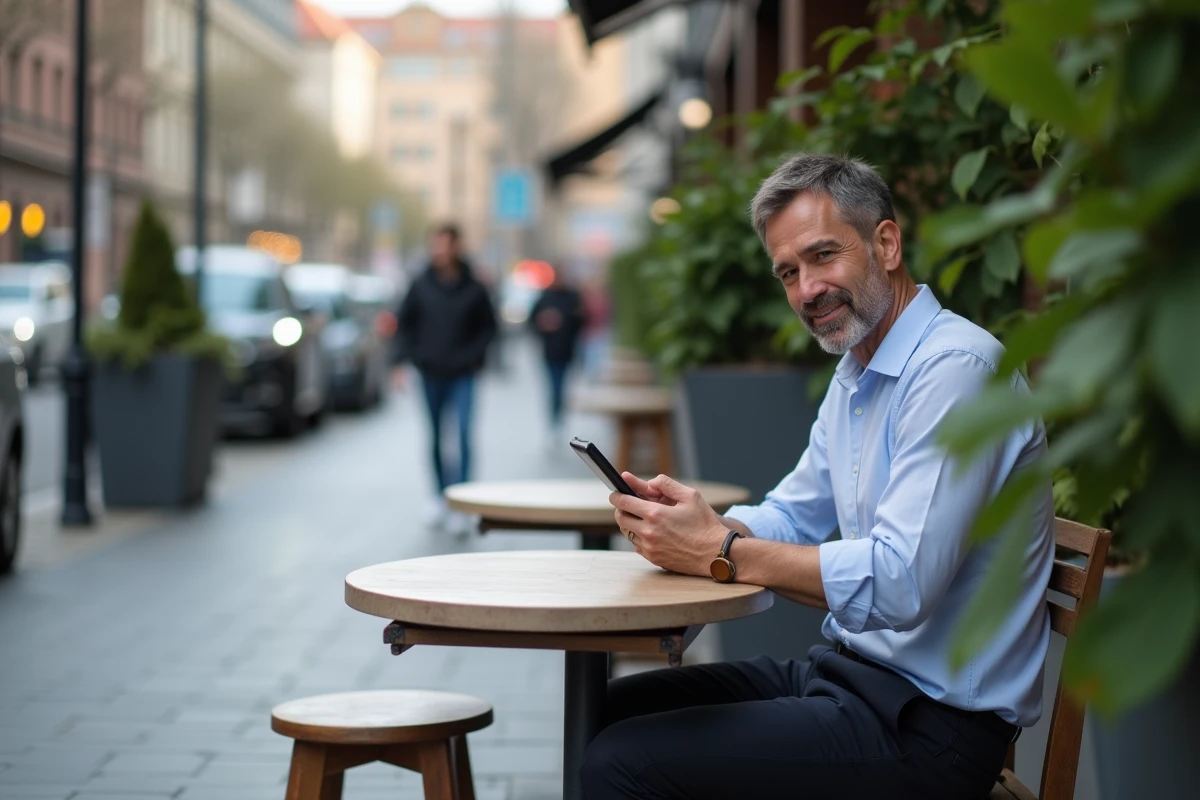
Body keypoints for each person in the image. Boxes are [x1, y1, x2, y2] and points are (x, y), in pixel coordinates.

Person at [584, 154, 1055, 799]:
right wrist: (704, 525)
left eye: (823, 257)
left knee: (622, 761)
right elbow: (795, 512)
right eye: (788, 272)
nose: (806, 291)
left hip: (932, 732)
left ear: (885, 244)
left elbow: (900, 582)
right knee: (606, 714)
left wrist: (721, 553)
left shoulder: (956, 372)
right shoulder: (859, 371)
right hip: (852, 679)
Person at [392, 223, 497, 532]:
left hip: (463, 374)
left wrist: (475, 358)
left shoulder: (474, 286)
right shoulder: (420, 284)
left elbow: (489, 328)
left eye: (444, 244)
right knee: (436, 436)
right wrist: (401, 362)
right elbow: (404, 325)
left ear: (456, 247)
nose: (439, 250)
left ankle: (463, 503)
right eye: (434, 244)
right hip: (430, 373)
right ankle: (439, 497)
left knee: (463, 434)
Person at [528, 270, 585, 435]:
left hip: (567, 350)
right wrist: (544, 324)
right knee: (553, 386)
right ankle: (554, 418)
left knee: (562, 385)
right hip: (550, 351)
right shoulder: (544, 297)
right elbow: (532, 321)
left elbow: (580, 321)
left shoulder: (572, 296)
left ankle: (558, 416)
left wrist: (564, 321)